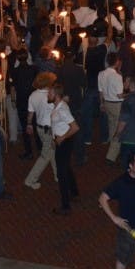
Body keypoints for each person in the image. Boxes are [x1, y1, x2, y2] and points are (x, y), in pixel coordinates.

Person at [49, 83, 80, 215]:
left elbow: (75, 127)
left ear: (56, 95)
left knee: (61, 173)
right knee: (66, 167)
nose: (48, 95)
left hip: (64, 143)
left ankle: (65, 205)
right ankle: (74, 191)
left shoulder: (62, 110)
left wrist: (61, 138)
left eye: (50, 93)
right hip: (62, 141)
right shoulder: (59, 106)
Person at [23, 71, 57, 189]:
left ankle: (58, 176)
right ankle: (30, 180)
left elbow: (30, 113)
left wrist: (29, 125)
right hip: (50, 129)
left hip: (39, 128)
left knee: (52, 151)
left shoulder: (33, 95)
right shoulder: (50, 95)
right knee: (45, 155)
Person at [99, 54, 125, 164]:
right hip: (117, 104)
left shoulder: (101, 74)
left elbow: (100, 91)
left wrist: (102, 103)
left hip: (107, 103)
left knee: (112, 126)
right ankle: (111, 156)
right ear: (117, 62)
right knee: (119, 129)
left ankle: (113, 147)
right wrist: (130, 93)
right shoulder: (117, 76)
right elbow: (120, 95)